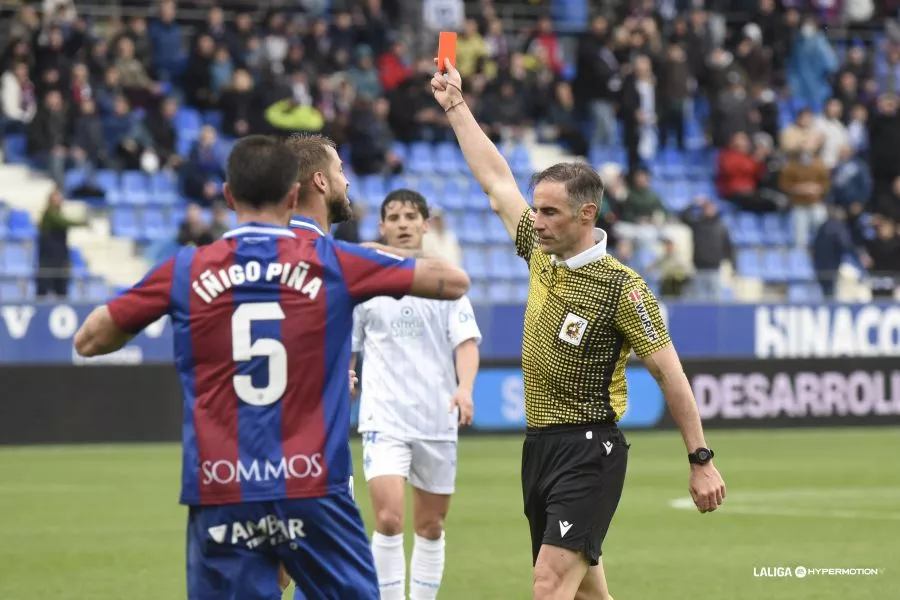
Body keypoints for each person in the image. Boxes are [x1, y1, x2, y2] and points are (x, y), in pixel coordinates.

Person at [72, 134, 471, 600]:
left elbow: (90, 339)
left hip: (221, 486)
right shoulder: (335, 261)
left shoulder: (187, 269)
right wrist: (376, 256)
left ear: (227, 196)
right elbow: (451, 281)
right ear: (290, 198)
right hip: (311, 484)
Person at [430, 59, 726, 600]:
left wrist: (700, 459)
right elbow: (497, 181)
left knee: (548, 586)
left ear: (586, 214)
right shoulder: (540, 254)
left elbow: (669, 372)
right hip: (539, 447)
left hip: (590, 449)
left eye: (549, 212)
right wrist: (455, 106)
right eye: (535, 210)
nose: (535, 220)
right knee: (588, 593)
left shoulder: (622, 287)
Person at [350, 189, 482, 600]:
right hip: (382, 418)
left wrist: (465, 387)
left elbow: (465, 343)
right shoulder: (365, 283)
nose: (403, 223)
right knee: (388, 519)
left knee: (430, 527)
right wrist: (346, 375)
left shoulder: (445, 281)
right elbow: (347, 346)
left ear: (426, 225)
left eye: (411, 216)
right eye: (394, 217)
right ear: (382, 227)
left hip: (435, 417)